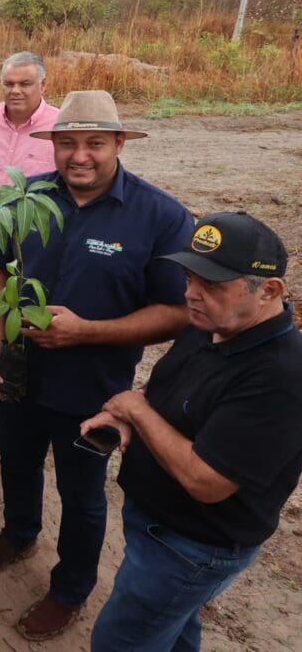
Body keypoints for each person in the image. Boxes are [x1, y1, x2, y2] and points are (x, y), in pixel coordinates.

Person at [0, 90, 193, 642]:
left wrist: (87, 332)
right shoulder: (30, 198)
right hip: (20, 373)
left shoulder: (159, 216)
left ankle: (69, 587)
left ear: (119, 143)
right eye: (67, 143)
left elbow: (177, 312)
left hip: (94, 388)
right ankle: (19, 533)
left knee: (82, 492)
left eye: (94, 143)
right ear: (53, 147)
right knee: (16, 463)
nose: (79, 155)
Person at [86, 212, 302, 652]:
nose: (191, 295)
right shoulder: (215, 325)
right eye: (189, 277)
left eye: (212, 286)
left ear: (270, 290)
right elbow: (169, 389)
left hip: (189, 548)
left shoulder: (280, 376)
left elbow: (207, 482)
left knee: (121, 641)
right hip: (160, 527)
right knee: (173, 626)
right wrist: (127, 415)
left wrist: (135, 409)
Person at [0, 51, 59, 188]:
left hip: (31, 208)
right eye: (9, 84)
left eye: (25, 84)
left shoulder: (59, 126)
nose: (15, 90)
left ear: (43, 85)